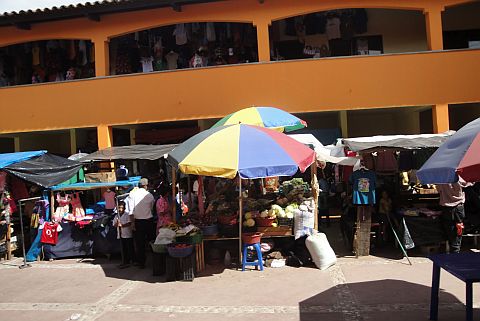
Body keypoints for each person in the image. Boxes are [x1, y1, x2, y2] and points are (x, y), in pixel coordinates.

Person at [437, 179, 472, 253]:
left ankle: (452, 247)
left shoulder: (441, 179)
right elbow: (468, 183)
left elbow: (438, 190)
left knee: (449, 229)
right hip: (458, 207)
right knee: (459, 228)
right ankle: (456, 249)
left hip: (447, 208)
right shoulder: (458, 177)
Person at [127, 177, 155, 268]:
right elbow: (151, 208)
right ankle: (155, 260)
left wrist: (132, 223)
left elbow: (130, 211)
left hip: (138, 222)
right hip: (149, 221)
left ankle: (141, 263)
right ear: (146, 186)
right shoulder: (149, 195)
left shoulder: (132, 194)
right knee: (151, 241)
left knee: (140, 243)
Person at [113, 201, 135, 269]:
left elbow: (129, 223)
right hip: (121, 235)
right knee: (124, 248)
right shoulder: (116, 216)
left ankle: (133, 260)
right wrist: (117, 223)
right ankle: (125, 261)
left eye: (121, 208)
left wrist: (122, 225)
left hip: (127, 234)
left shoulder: (127, 215)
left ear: (124, 208)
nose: (120, 209)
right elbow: (114, 225)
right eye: (119, 208)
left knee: (130, 248)